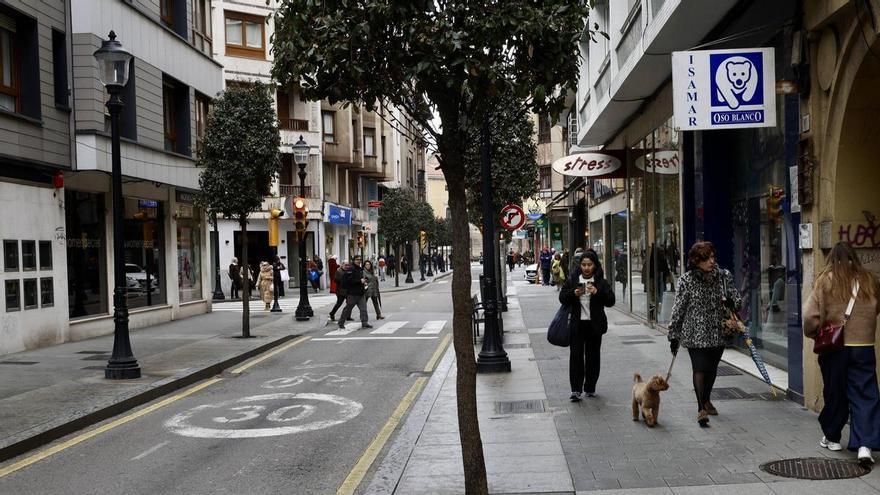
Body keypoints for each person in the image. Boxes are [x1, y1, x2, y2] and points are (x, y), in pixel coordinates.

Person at [803, 241, 880, 466]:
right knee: (865, 394)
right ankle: (865, 445)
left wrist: (814, 332)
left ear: (832, 259)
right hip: (864, 347)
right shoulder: (869, 280)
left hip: (834, 348)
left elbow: (809, 316)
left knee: (835, 392)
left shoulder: (825, 281)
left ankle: (833, 437)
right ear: (854, 258)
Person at [667, 241, 742, 427]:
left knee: (712, 369)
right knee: (699, 369)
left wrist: (731, 300)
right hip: (695, 333)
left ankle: (707, 399)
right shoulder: (686, 280)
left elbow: (738, 301)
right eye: (706, 258)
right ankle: (701, 408)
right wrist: (673, 335)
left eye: (712, 257)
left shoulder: (723, 276)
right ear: (696, 261)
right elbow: (679, 309)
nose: (711, 261)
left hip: (718, 331)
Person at [559, 250, 615, 401]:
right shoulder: (572, 279)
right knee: (576, 356)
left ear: (595, 265)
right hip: (577, 325)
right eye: (583, 264)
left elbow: (611, 301)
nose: (586, 268)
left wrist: (597, 292)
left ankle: (590, 387)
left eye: (589, 265)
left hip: (594, 325)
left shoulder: (601, 282)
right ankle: (575, 389)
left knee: (593, 356)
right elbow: (562, 298)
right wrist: (573, 294)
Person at [338, 255, 372, 329]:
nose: (359, 261)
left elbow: (359, 278)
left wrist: (364, 281)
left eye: (360, 259)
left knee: (363, 309)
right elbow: (349, 281)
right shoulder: (351, 269)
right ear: (353, 260)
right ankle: (341, 322)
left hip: (360, 292)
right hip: (353, 293)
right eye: (357, 259)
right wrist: (359, 281)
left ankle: (364, 322)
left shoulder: (359, 269)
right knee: (348, 309)